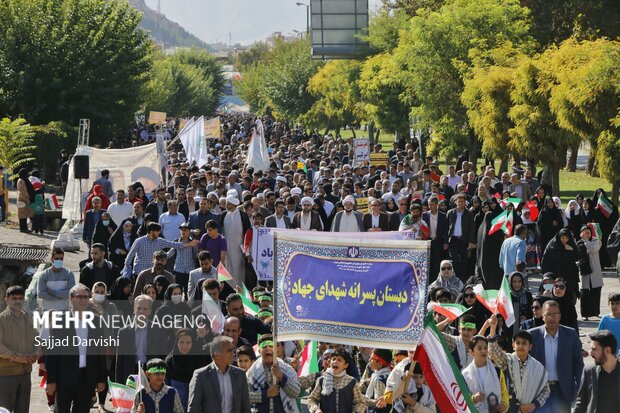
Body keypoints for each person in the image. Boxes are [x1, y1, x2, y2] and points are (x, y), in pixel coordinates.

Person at [45, 284, 107, 413]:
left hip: (87, 378)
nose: (83, 300)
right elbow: (51, 353)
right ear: (71, 299)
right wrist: (51, 380)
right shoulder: (59, 321)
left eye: (85, 297)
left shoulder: (96, 321)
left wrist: (101, 378)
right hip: (64, 378)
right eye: (79, 297)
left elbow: (100, 352)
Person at [528, 300, 584, 413]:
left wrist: (580, 387)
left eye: (555, 314)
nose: (552, 318)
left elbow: (578, 363)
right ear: (542, 316)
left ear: (560, 316)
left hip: (562, 390)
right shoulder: (532, 335)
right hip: (539, 391)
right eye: (548, 314)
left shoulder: (571, 334)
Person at [486, 315, 550, 412]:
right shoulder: (507, 360)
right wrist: (493, 328)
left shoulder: (538, 367)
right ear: (513, 346)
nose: (520, 346)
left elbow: (546, 390)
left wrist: (533, 405)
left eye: (524, 343)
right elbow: (494, 352)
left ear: (530, 347)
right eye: (518, 343)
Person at [187, 335, 251, 413]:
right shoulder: (201, 376)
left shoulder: (240, 374)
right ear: (217, 355)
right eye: (229, 351)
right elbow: (193, 408)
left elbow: (246, 408)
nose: (233, 354)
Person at [0, 286, 38, 413]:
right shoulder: (1, 320)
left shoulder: (28, 317)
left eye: (20, 298)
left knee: (23, 410)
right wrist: (18, 357)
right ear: (6, 300)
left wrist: (36, 353)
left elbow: (37, 340)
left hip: (25, 373)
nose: (17, 301)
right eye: (14, 298)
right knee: (4, 410)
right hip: (6, 374)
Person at [115, 295, 167, 383]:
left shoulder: (158, 330)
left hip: (151, 373)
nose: (141, 311)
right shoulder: (124, 332)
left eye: (145, 309)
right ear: (134, 309)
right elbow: (120, 361)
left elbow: (162, 357)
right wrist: (119, 384)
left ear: (150, 311)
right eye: (139, 308)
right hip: (130, 374)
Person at [122, 222, 198, 279]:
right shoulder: (139, 241)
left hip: (153, 273)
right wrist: (127, 268)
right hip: (139, 272)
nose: (159, 233)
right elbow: (130, 255)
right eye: (157, 231)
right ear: (152, 232)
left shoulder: (160, 241)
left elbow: (174, 245)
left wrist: (189, 244)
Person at [246, 334, 301, 413]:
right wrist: (266, 394)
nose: (268, 349)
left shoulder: (287, 369)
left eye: (271, 346)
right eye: (264, 346)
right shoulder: (251, 373)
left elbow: (296, 393)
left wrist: (281, 377)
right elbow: (246, 396)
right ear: (259, 351)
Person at [573, 330, 620, 413]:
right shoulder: (589, 371)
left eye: (594, 349)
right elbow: (581, 402)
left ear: (607, 350)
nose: (590, 353)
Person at [308, 347, 366, 413]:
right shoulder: (322, 380)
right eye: (333, 359)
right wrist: (316, 410)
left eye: (339, 360)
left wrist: (357, 411)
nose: (335, 362)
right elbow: (312, 399)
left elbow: (360, 403)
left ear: (346, 365)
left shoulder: (352, 382)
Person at [461, 336, 509, 413]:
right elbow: (461, 399)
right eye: (479, 348)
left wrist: (504, 405)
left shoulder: (497, 371)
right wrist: (473, 399)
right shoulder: (465, 374)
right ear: (471, 352)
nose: (483, 351)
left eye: (485, 348)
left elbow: (504, 394)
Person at [165, 329, 207, 412]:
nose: (184, 346)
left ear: (193, 343)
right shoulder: (169, 362)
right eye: (181, 342)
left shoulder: (200, 361)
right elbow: (166, 389)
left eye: (188, 342)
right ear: (176, 343)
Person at [541, 228, 580, 301]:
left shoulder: (571, 244)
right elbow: (546, 261)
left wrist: (571, 249)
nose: (564, 240)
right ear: (559, 237)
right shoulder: (552, 245)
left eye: (566, 238)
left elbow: (577, 257)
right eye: (562, 238)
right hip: (555, 275)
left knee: (570, 297)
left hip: (569, 275)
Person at [220, 195, 251, 285]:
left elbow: (247, 233)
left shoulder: (243, 215)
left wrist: (246, 251)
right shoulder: (223, 214)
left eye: (228, 204)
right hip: (226, 249)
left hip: (239, 249)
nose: (226, 206)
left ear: (234, 205)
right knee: (227, 269)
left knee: (239, 270)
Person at [576, 225, 603, 320]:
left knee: (596, 293)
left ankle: (596, 312)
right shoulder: (578, 243)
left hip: (595, 272)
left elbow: (593, 249)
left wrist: (586, 241)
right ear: (581, 233)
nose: (587, 234)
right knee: (585, 294)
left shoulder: (596, 241)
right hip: (585, 272)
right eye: (584, 233)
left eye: (588, 232)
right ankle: (585, 314)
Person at [446, 193, 475, 280]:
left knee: (464, 262)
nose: (461, 203)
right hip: (453, 240)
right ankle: (455, 278)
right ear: (456, 202)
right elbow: (447, 227)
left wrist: (471, 241)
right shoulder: (450, 213)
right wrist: (446, 241)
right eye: (459, 201)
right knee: (454, 260)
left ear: (465, 203)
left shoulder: (469, 214)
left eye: (462, 201)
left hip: (463, 240)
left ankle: (462, 280)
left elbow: (472, 229)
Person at [166, 223, 198, 297]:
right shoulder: (177, 242)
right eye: (182, 230)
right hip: (178, 270)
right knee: (177, 291)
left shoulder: (193, 242)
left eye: (185, 230)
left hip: (190, 270)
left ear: (189, 231)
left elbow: (196, 254)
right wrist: (161, 257)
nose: (183, 231)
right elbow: (170, 253)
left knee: (188, 292)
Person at [422, 196, 448, 282]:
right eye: (429, 205)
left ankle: (437, 281)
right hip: (428, 242)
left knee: (437, 263)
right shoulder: (425, 215)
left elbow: (445, 230)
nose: (430, 207)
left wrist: (445, 242)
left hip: (438, 242)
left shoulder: (443, 216)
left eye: (432, 205)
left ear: (437, 205)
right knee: (428, 263)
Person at [362, 349, 393, 413]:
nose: (369, 360)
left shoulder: (379, 380)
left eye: (372, 359)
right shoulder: (390, 374)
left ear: (379, 364)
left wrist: (361, 398)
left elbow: (378, 404)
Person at [16, 168, 34, 233]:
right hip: (23, 200)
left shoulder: (22, 179)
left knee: (24, 215)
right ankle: (23, 229)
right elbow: (23, 191)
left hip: (23, 199)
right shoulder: (21, 181)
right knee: (23, 216)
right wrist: (27, 198)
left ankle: (24, 228)